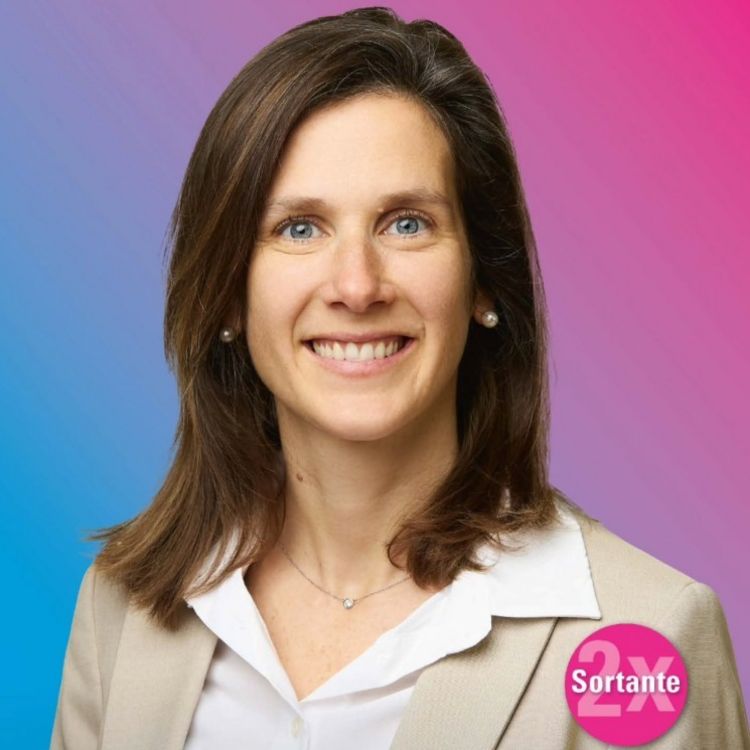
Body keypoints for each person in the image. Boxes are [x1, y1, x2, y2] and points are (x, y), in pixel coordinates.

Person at [50, 7, 749, 749]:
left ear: (484, 280)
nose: (357, 286)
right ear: (227, 293)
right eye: (299, 228)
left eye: (407, 223)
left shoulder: (646, 642)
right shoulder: (121, 609)